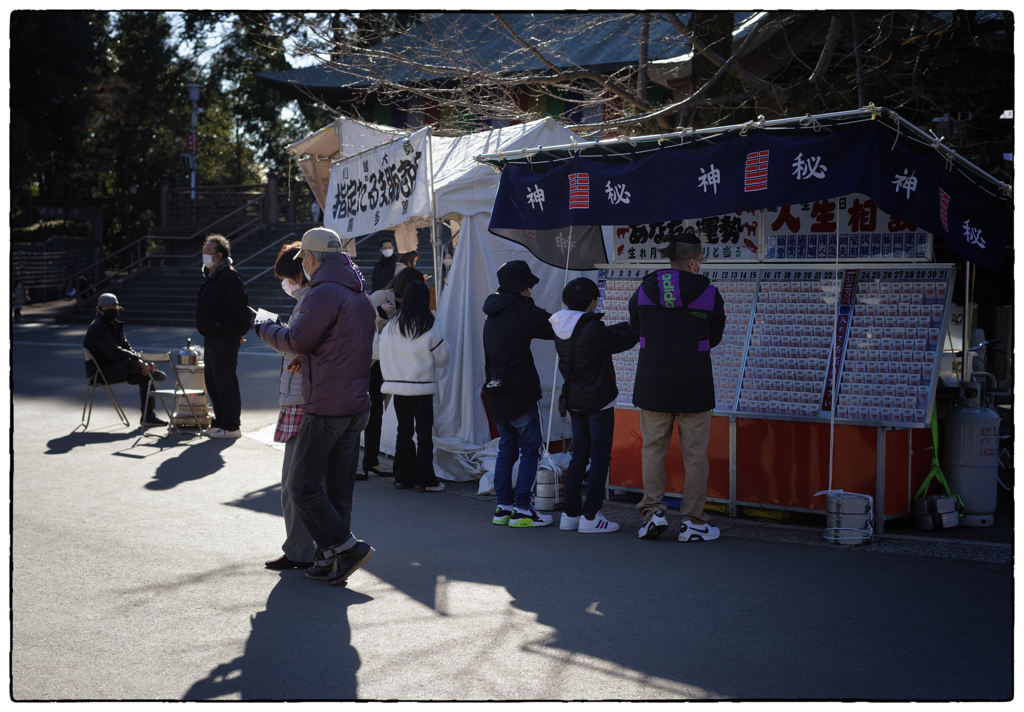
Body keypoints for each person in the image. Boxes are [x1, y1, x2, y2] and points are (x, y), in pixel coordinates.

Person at [255, 227, 377, 587]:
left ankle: (344, 547)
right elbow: (336, 345)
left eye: (303, 258)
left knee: (302, 486)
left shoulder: (323, 292)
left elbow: (296, 339)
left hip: (326, 403)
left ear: (309, 257)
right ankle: (330, 557)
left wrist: (264, 325)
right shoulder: (357, 291)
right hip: (356, 402)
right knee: (338, 488)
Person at [628, 227, 726, 542]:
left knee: (652, 449)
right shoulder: (709, 293)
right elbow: (714, 337)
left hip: (653, 382)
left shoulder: (644, 290)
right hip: (693, 384)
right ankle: (693, 522)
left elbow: (635, 329)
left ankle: (653, 513)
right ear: (694, 263)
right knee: (695, 453)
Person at [550, 277, 638, 534]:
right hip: (599, 400)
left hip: (574, 399)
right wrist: (639, 326)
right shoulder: (592, 329)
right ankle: (591, 517)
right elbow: (619, 341)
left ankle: (571, 515)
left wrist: (624, 326)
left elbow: (606, 334)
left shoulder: (560, 325)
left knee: (579, 455)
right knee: (599, 457)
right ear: (592, 302)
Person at [482, 260, 555, 528]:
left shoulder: (493, 310)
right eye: (528, 286)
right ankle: (523, 509)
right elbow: (554, 327)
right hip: (520, 391)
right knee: (529, 450)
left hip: (496, 389)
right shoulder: (523, 310)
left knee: (506, 449)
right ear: (521, 288)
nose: (531, 290)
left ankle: (504, 507)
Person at [263, 242, 317, 570]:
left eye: (287, 276)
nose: (286, 284)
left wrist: (269, 331)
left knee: (294, 483)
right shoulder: (315, 297)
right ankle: (309, 548)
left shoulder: (310, 300)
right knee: (306, 482)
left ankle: (301, 549)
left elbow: (295, 344)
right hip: (306, 396)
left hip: (301, 398)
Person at [379, 280, 451, 491]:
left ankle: (402, 477)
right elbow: (442, 359)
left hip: (397, 387)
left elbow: (383, 352)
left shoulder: (392, 325)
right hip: (422, 387)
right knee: (424, 434)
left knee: (404, 431)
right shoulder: (429, 324)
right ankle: (424, 479)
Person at [363, 267, 425, 479]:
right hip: (371, 362)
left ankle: (371, 460)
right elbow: (359, 319)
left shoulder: (410, 302)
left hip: (391, 364)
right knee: (367, 410)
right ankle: (362, 462)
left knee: (380, 411)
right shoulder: (381, 296)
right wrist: (379, 313)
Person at [83, 293, 168, 427]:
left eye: (114, 306)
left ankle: (148, 416)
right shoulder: (97, 328)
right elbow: (113, 352)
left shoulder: (116, 325)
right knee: (132, 364)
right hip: (100, 374)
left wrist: (142, 360)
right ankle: (149, 371)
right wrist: (141, 363)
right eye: (107, 308)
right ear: (99, 310)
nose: (112, 310)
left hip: (116, 369)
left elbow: (127, 348)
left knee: (144, 375)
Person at [196, 234, 251, 439]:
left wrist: (241, 331)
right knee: (212, 380)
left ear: (219, 256)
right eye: (203, 251)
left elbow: (240, 307)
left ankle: (231, 425)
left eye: (207, 252)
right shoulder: (213, 275)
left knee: (225, 380)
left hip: (225, 336)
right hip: (211, 336)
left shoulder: (228, 275)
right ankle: (219, 422)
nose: (204, 255)